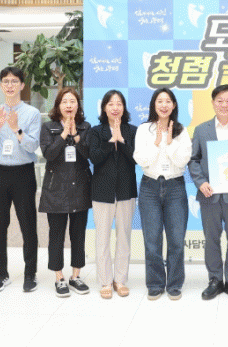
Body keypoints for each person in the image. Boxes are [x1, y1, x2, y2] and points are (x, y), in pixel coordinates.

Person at [189, 85, 228, 302]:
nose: (224, 104)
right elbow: (194, 159)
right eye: (219, 100)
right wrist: (201, 182)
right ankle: (215, 280)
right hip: (210, 195)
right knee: (211, 239)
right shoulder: (201, 130)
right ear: (213, 103)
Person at [0, 66, 41, 293]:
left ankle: (30, 273)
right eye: (6, 81)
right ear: (0, 85)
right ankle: (1, 274)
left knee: (28, 224)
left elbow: (32, 146)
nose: (10, 85)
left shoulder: (32, 113)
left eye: (14, 81)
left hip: (23, 173)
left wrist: (16, 129)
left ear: (22, 85)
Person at [133, 88, 192, 301]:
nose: (164, 105)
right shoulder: (144, 129)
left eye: (168, 101)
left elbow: (182, 160)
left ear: (174, 105)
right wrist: (156, 143)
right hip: (150, 187)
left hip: (175, 187)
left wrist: (169, 141)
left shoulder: (181, 131)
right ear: (154, 105)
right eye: (160, 101)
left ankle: (174, 284)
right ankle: (155, 284)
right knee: (152, 241)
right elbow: (141, 159)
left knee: (176, 240)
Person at [39, 87, 91, 298]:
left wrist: (76, 135)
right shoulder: (48, 127)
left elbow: (89, 154)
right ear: (58, 105)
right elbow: (49, 154)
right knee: (56, 235)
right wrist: (63, 134)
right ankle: (59, 277)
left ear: (78, 105)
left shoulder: (85, 127)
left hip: (80, 187)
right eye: (64, 101)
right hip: (56, 189)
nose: (69, 105)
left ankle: (76, 276)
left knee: (78, 235)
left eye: (73, 101)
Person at [88, 90, 137, 299]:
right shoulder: (95, 131)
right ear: (104, 108)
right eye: (111, 104)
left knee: (124, 237)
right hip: (102, 191)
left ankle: (120, 280)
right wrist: (111, 142)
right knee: (102, 238)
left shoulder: (132, 130)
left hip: (126, 190)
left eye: (119, 104)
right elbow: (94, 157)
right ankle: (106, 281)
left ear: (124, 108)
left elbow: (136, 158)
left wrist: (121, 141)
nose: (115, 107)